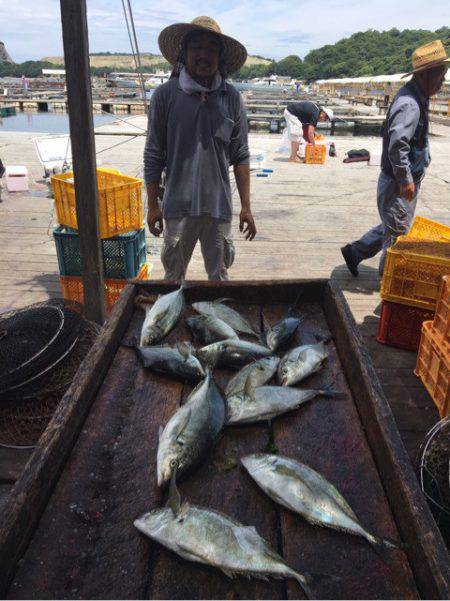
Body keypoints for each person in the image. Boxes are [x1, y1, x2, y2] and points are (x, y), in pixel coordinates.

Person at [144, 16, 256, 282]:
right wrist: (151, 205)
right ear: (183, 53)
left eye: (211, 49)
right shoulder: (165, 96)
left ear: (220, 57)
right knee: (173, 278)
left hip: (218, 207)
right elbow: (153, 154)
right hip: (176, 206)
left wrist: (246, 207)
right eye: (196, 47)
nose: (203, 55)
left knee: (219, 277)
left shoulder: (231, 97)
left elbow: (241, 155)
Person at [341, 39, 449, 277]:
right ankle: (388, 290)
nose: (442, 82)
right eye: (441, 75)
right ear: (426, 75)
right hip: (398, 184)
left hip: (399, 182)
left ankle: (355, 252)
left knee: (394, 226)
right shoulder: (410, 104)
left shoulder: (417, 96)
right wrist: (405, 179)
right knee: (397, 240)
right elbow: (397, 144)